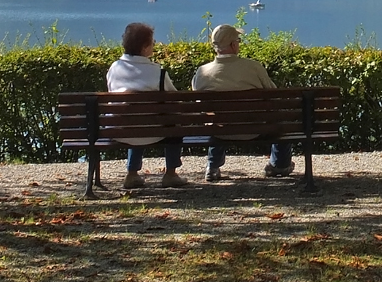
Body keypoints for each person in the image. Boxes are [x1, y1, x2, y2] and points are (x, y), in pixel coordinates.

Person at [192, 24, 294, 182]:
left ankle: (212, 167)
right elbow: (275, 96)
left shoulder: (202, 72)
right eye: (238, 40)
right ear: (233, 45)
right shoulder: (253, 67)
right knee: (279, 118)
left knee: (216, 119)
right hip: (255, 128)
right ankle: (280, 164)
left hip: (220, 130)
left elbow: (199, 104)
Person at [105, 22, 188, 189]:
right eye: (153, 42)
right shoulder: (157, 72)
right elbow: (175, 99)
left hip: (119, 131)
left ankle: (132, 174)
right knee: (173, 122)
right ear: (144, 48)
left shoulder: (115, 68)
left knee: (134, 119)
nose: (154, 44)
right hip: (153, 131)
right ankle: (170, 174)